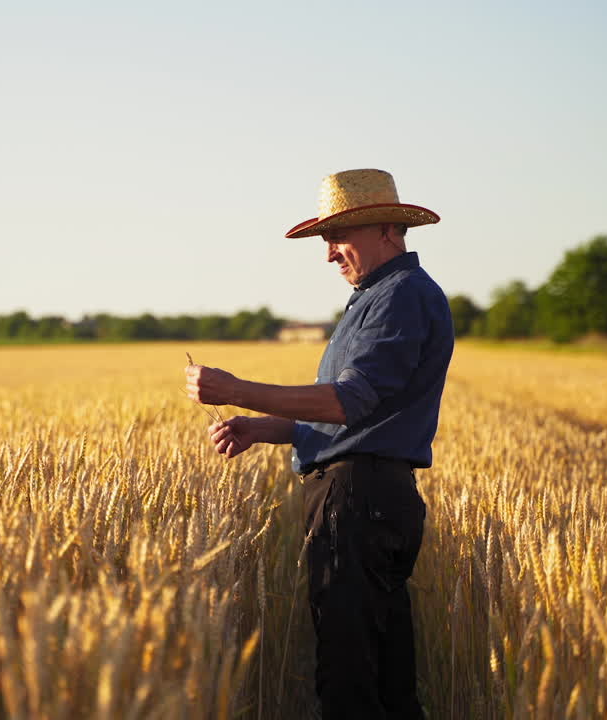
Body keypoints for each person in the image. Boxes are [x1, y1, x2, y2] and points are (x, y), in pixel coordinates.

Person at [185, 168, 453, 719]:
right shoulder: (380, 295)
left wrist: (235, 389)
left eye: (337, 238)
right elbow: (355, 416)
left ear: (385, 229)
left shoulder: (399, 296)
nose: (329, 254)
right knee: (385, 676)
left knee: (349, 676)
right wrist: (265, 427)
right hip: (370, 494)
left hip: (359, 499)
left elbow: (347, 402)